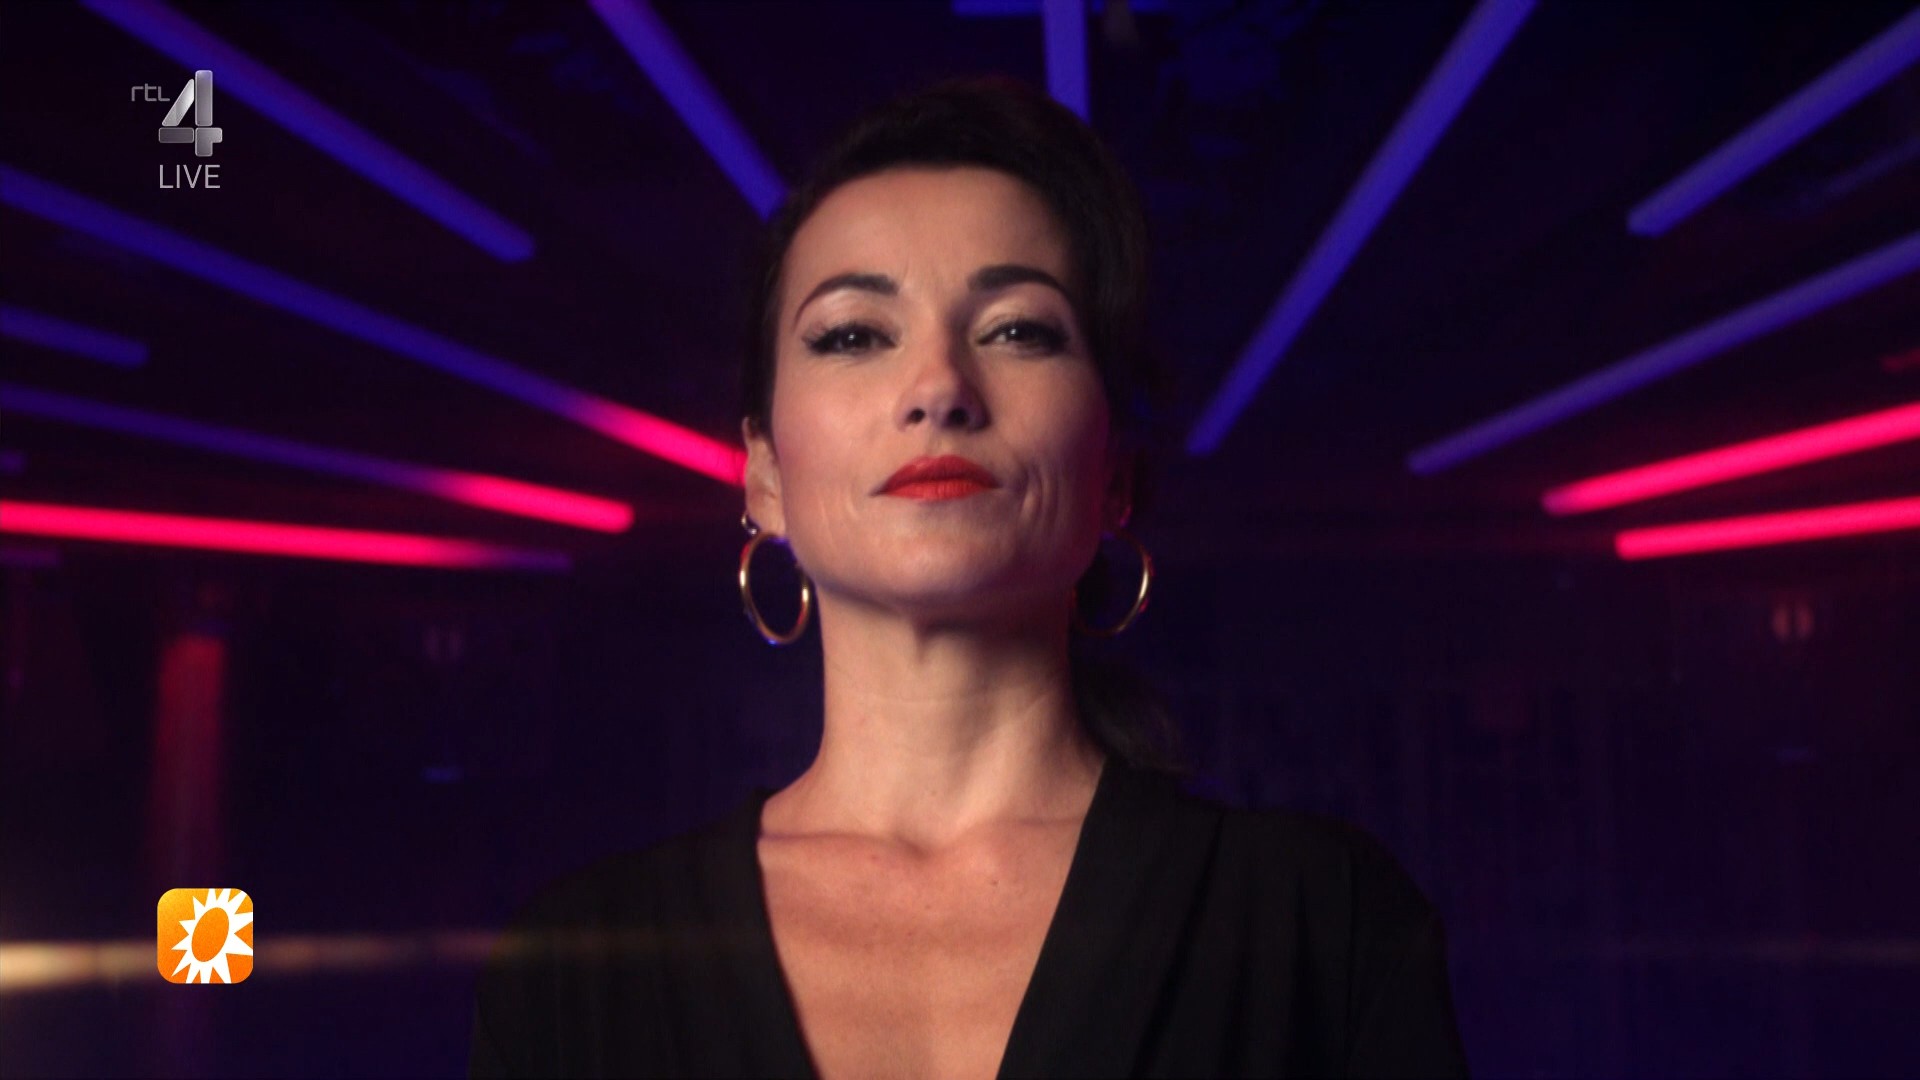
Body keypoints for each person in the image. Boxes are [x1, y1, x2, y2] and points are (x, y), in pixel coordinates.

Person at [468, 76, 1468, 1079]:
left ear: (1115, 476)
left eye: (1018, 330)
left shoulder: (1325, 927)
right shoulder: (576, 973)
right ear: (764, 475)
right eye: (854, 335)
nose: (940, 387)